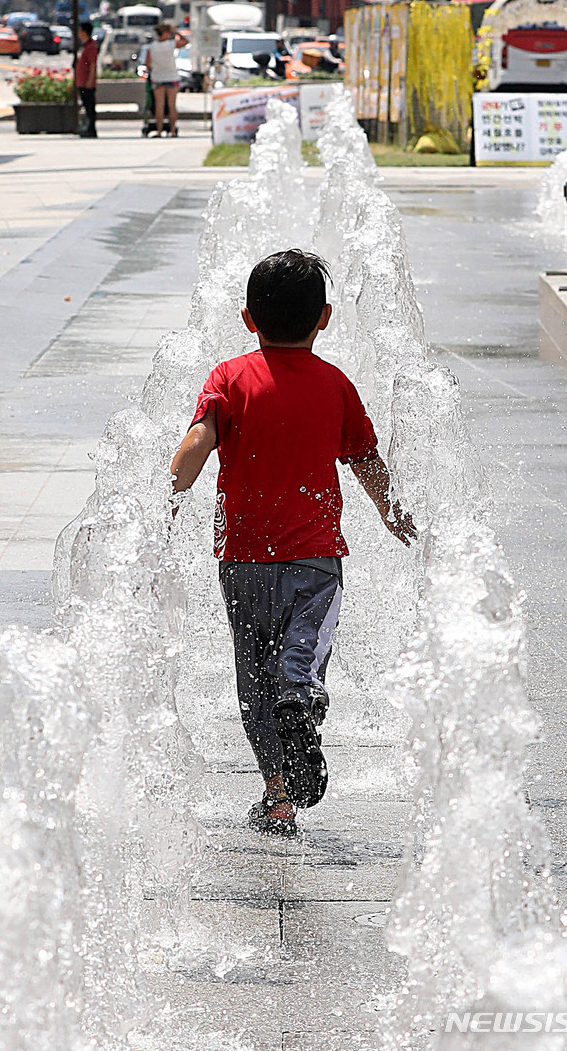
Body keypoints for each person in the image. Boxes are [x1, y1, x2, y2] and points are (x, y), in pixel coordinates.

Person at [170, 251, 416, 837]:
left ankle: (278, 794)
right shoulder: (335, 385)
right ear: (324, 318)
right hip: (314, 559)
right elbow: (363, 458)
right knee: (302, 650)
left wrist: (166, 497)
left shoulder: (228, 378)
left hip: (242, 558)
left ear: (248, 318)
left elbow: (199, 441)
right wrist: (390, 512)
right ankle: (302, 698)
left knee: (253, 676)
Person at [147, 22, 188, 137]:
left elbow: (147, 63)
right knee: (172, 105)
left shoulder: (152, 47)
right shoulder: (171, 44)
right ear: (165, 33)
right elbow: (185, 41)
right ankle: (172, 130)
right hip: (172, 77)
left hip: (157, 78)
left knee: (159, 105)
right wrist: (177, 32)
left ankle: (159, 131)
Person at [76, 21, 98, 138]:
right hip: (81, 80)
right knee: (86, 104)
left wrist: (90, 80)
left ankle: (91, 129)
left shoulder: (91, 46)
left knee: (89, 106)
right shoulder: (84, 46)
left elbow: (92, 64)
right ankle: (88, 127)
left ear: (84, 32)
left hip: (86, 82)